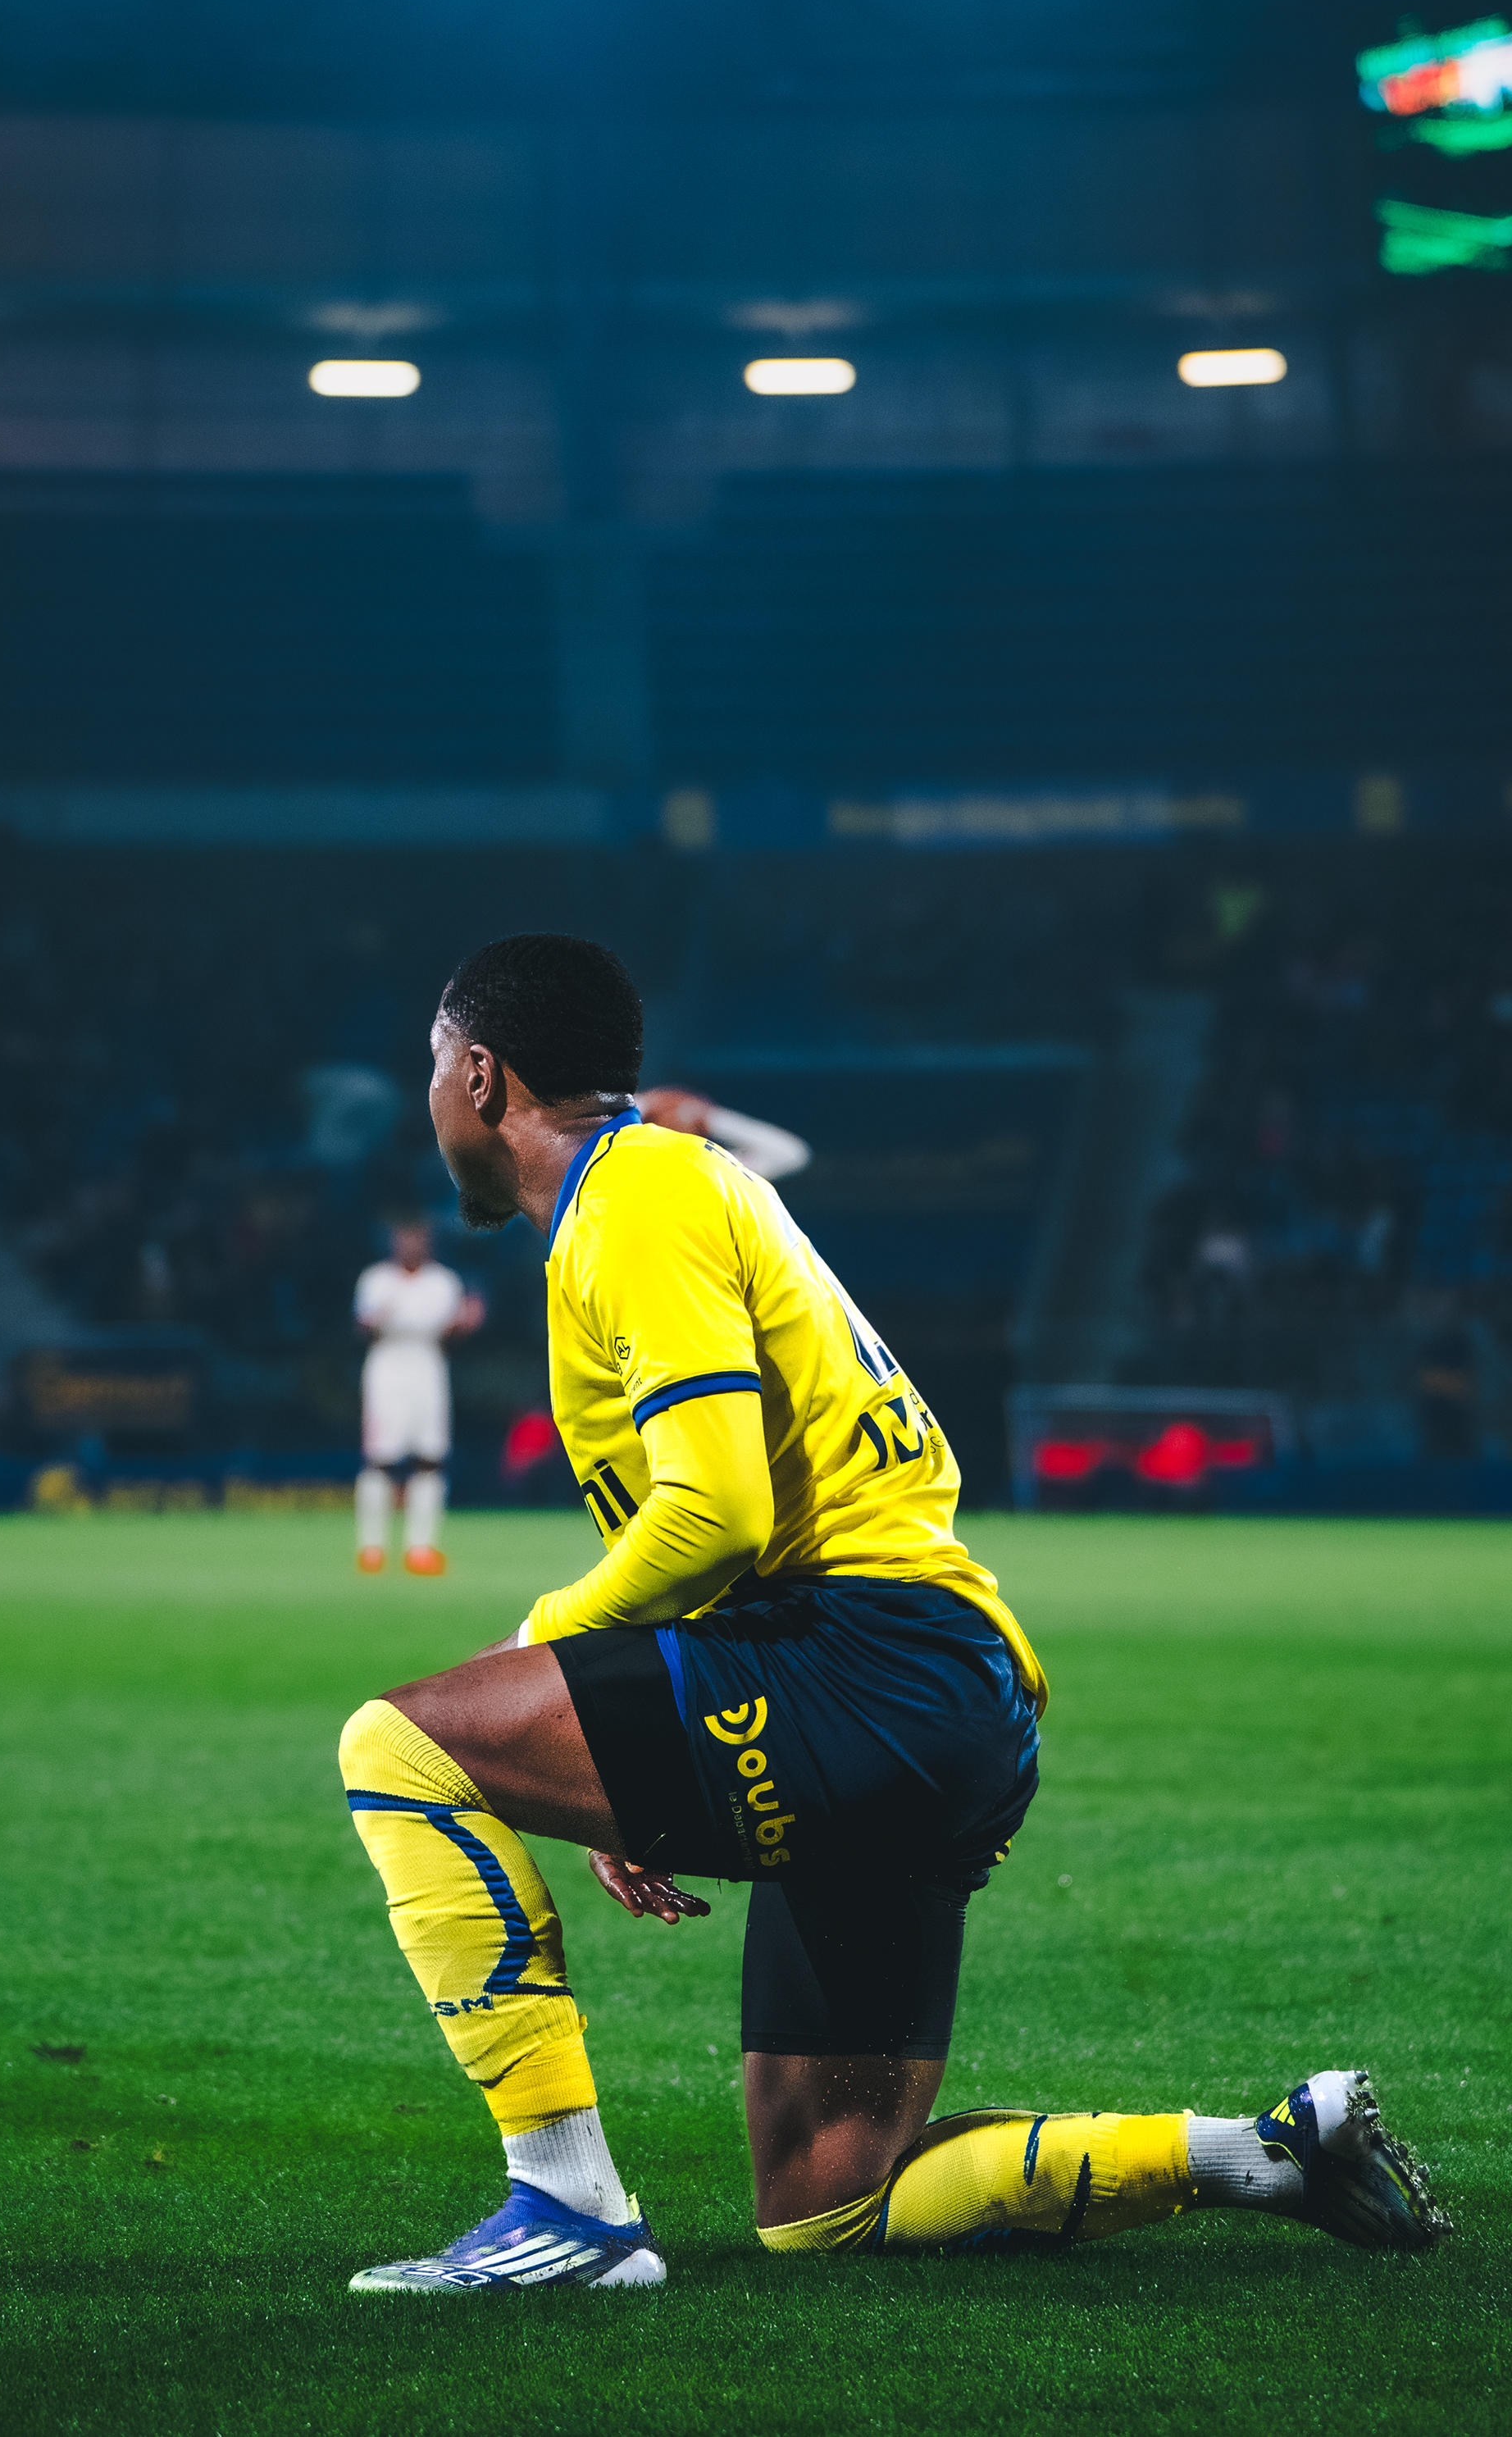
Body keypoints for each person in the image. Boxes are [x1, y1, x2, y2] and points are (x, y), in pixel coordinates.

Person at [338, 935, 1446, 2290]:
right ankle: (1261, 2152)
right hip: (928, 1692)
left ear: (478, 1073)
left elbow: (715, 1511)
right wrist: (621, 1741)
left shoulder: (634, 1199)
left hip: (856, 1663)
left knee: (400, 1746)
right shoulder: (668, 1189)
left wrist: (543, 1643)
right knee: (830, 2200)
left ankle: (567, 2205)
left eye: (431, 1068)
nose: (429, 1100)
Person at [352, 1220, 485, 1577]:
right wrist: (374, 1321)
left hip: (428, 1368)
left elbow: (451, 1331)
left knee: (430, 1458)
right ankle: (372, 1548)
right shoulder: (377, 1280)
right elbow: (362, 1326)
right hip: (387, 1370)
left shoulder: (443, 1282)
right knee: (380, 1459)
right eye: (405, 1238)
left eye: (418, 1239)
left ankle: (420, 1549)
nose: (411, 1245)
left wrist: (467, 1323)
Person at [636, 1086, 811, 1184]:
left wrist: (709, 1118)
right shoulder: (631, 1168)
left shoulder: (709, 1170)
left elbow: (792, 1154)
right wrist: (647, 1106)